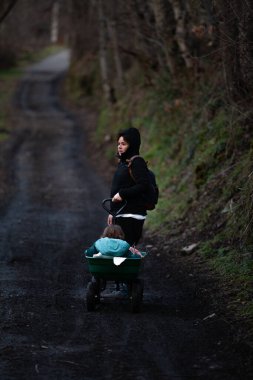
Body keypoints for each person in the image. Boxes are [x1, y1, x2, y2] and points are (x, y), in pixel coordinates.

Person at [108, 127, 149, 246]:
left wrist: (122, 194)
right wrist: (112, 211)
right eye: (119, 144)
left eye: (123, 144)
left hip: (132, 215)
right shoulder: (124, 163)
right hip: (122, 214)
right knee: (120, 252)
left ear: (132, 145)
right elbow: (116, 188)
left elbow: (144, 185)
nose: (119, 147)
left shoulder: (137, 162)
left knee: (124, 253)